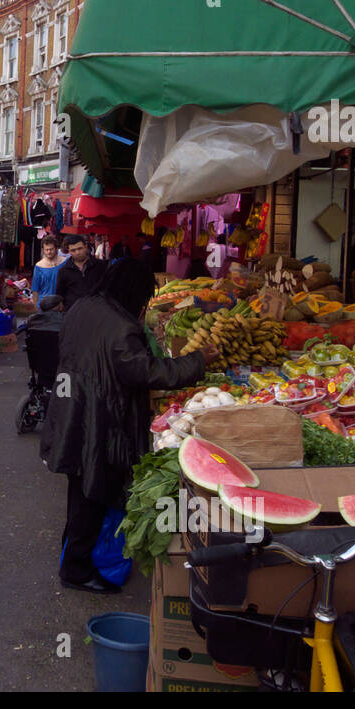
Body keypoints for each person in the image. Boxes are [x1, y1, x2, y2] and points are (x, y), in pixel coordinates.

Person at [40, 260, 217, 594]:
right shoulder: (122, 326)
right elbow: (147, 372)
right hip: (98, 418)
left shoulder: (84, 306)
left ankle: (73, 551)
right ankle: (76, 569)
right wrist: (198, 361)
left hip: (71, 407)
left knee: (79, 486)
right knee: (93, 491)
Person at [54, 235, 107, 310]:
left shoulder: (100, 266)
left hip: (97, 311)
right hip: (73, 312)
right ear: (69, 251)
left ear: (85, 246)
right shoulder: (64, 271)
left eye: (80, 248)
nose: (77, 252)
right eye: (73, 250)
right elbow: (59, 295)